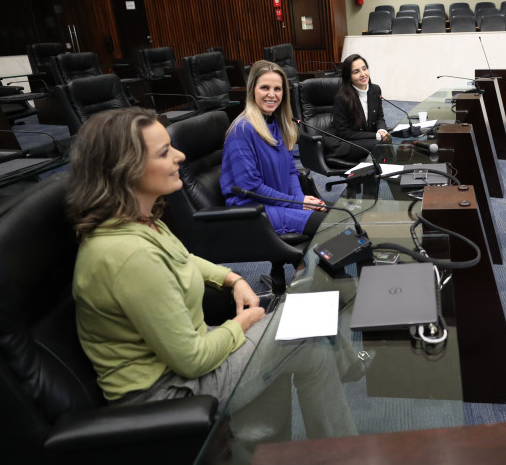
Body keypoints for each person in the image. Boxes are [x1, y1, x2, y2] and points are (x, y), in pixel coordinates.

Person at [67, 107, 356, 453]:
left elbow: (183, 259)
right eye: (164, 152)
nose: (180, 156)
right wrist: (242, 323)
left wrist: (233, 279)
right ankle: (340, 425)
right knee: (306, 331)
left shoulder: (138, 219)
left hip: (188, 359)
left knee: (306, 312)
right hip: (167, 391)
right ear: (124, 170)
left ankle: (266, 450)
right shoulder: (128, 255)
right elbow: (192, 360)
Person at [222, 60, 327, 235]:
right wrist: (297, 203)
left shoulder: (278, 124)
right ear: (252, 90)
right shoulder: (242, 130)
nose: (272, 95)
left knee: (333, 217)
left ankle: (302, 263)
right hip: (255, 209)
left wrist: (300, 199)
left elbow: (291, 171)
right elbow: (251, 187)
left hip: (279, 201)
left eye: (277, 89)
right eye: (265, 88)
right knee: (327, 226)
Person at [328, 53, 390, 162]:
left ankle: (392, 174)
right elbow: (344, 133)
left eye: (364, 69)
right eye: (356, 72)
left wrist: (381, 130)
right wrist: (375, 135)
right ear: (349, 77)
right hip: (345, 143)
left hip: (364, 139)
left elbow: (379, 117)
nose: (363, 74)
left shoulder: (375, 90)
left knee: (388, 140)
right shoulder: (342, 98)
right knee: (379, 145)